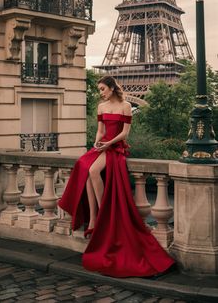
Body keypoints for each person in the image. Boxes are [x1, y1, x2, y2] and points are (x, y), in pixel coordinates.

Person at [58, 75, 175, 278]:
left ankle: (102, 211)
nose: (100, 92)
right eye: (100, 89)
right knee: (84, 168)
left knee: (92, 171)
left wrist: (108, 143)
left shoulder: (126, 106)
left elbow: (125, 134)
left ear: (112, 88)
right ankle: (94, 217)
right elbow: (100, 130)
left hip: (116, 147)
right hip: (103, 146)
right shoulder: (101, 107)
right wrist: (96, 142)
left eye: (103, 89)